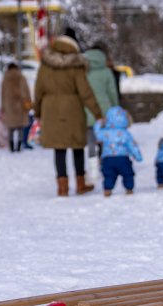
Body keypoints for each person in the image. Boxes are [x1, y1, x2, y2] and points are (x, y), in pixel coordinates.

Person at [34, 31, 103, 197]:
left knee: (59, 149)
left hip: (50, 110)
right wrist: (98, 113)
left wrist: (37, 112)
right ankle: (80, 184)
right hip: (73, 110)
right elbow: (86, 92)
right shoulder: (76, 65)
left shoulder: (45, 65)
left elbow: (38, 91)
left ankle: (62, 188)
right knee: (77, 147)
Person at [84, 44, 119, 183]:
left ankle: (93, 168)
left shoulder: (84, 71)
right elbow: (112, 92)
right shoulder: (106, 71)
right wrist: (115, 109)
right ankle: (104, 164)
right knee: (105, 139)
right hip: (105, 110)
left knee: (90, 139)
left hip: (87, 108)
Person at [93, 106, 143, 197]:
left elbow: (97, 134)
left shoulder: (105, 132)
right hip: (122, 158)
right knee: (128, 174)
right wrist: (138, 156)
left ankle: (107, 189)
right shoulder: (125, 133)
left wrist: (98, 123)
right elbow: (132, 145)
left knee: (108, 175)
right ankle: (129, 188)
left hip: (108, 159)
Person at [0, 63, 32, 152]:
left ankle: (11, 147)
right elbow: (27, 91)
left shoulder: (5, 79)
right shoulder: (22, 77)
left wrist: (3, 106)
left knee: (11, 127)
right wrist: (29, 104)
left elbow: (2, 94)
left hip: (9, 105)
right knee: (20, 127)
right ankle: (18, 146)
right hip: (20, 105)